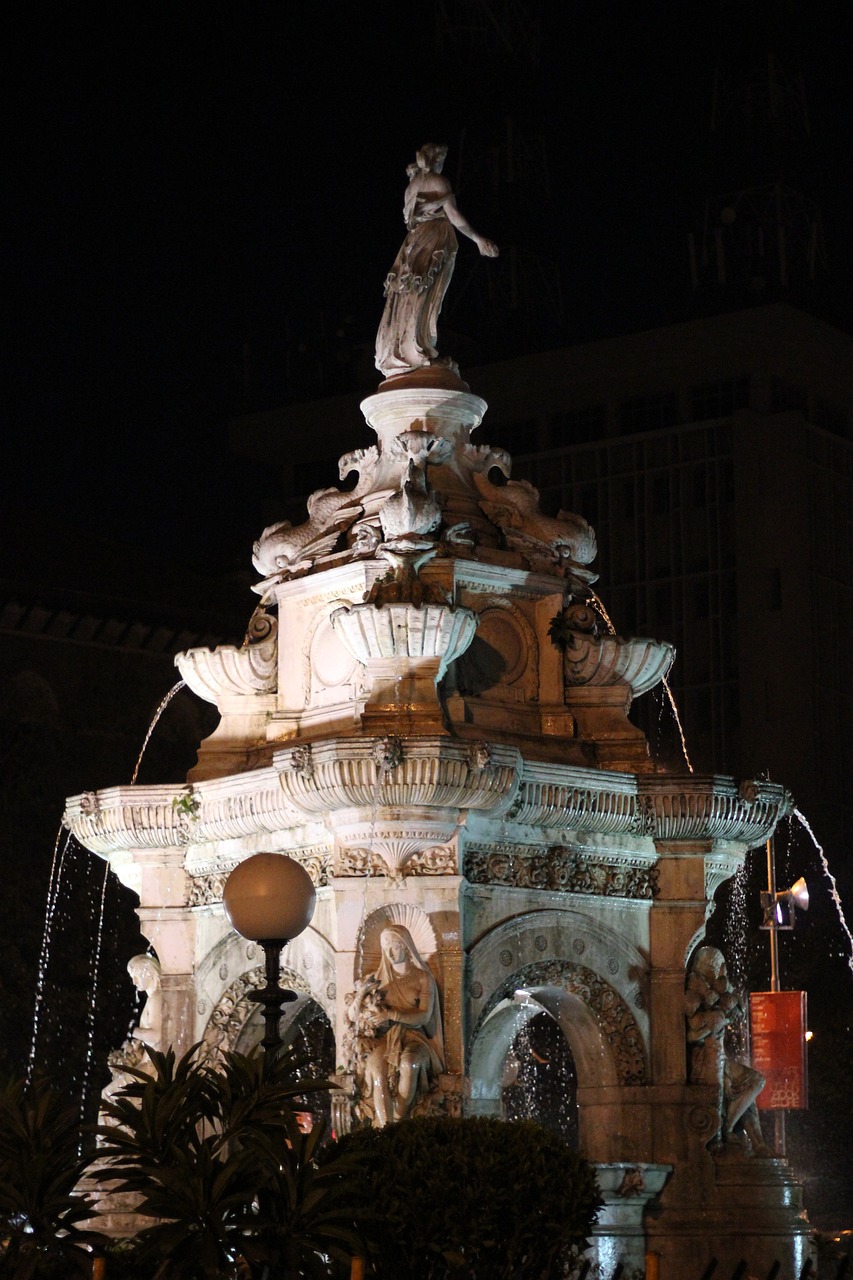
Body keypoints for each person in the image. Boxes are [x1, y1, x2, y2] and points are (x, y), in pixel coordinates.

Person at [375, 144, 498, 379]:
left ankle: (406, 347)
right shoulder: (438, 181)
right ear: (436, 160)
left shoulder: (411, 187)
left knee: (410, 292)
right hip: (433, 238)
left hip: (413, 242)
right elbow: (453, 214)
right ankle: (418, 349)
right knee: (426, 292)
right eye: (442, 160)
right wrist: (478, 239)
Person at [348, 924, 445, 1126]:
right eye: (386, 948)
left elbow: (424, 1017)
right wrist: (361, 994)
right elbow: (352, 1016)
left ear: (406, 946)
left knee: (410, 1063)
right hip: (385, 1038)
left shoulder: (422, 978)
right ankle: (385, 1128)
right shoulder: (376, 980)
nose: (390, 953)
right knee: (377, 1069)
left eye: (395, 946)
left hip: (415, 1037)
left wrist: (390, 1014)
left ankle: (397, 1123)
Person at [685, 945, 770, 1154]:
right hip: (702, 1060)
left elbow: (729, 1012)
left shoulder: (714, 991)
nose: (719, 971)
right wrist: (713, 1021)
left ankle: (757, 1144)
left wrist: (726, 1012)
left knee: (750, 1085)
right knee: (754, 1082)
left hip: (716, 1056)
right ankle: (727, 1128)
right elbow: (688, 1034)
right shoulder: (692, 993)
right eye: (715, 966)